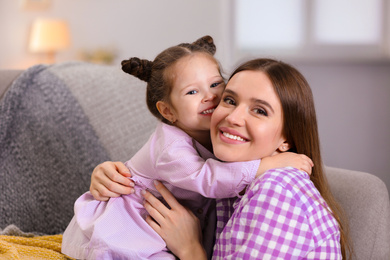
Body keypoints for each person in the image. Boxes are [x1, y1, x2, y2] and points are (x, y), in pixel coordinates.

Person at [61, 37, 313, 260]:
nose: (210, 97)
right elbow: (206, 179)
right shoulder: (171, 144)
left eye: (216, 85)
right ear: (168, 111)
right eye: (192, 91)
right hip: (129, 228)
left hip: (163, 234)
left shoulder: (228, 145)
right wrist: (265, 164)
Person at [141, 58, 352, 259]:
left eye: (259, 110)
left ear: (286, 139)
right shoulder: (230, 183)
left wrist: (190, 249)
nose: (232, 118)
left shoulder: (276, 190)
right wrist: (114, 175)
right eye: (230, 100)